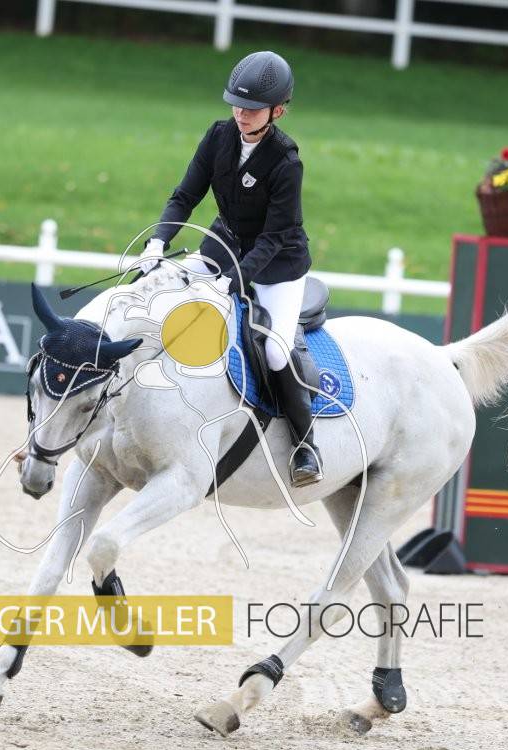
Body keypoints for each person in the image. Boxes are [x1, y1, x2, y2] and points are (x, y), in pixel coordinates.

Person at [136, 50, 322, 487]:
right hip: (222, 247)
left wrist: (232, 281)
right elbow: (184, 196)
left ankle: (306, 445)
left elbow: (273, 238)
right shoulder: (218, 137)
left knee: (275, 351)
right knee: (162, 291)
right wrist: (158, 241)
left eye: (252, 108)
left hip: (278, 265)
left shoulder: (286, 161)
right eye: (237, 104)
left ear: (278, 111)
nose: (241, 113)